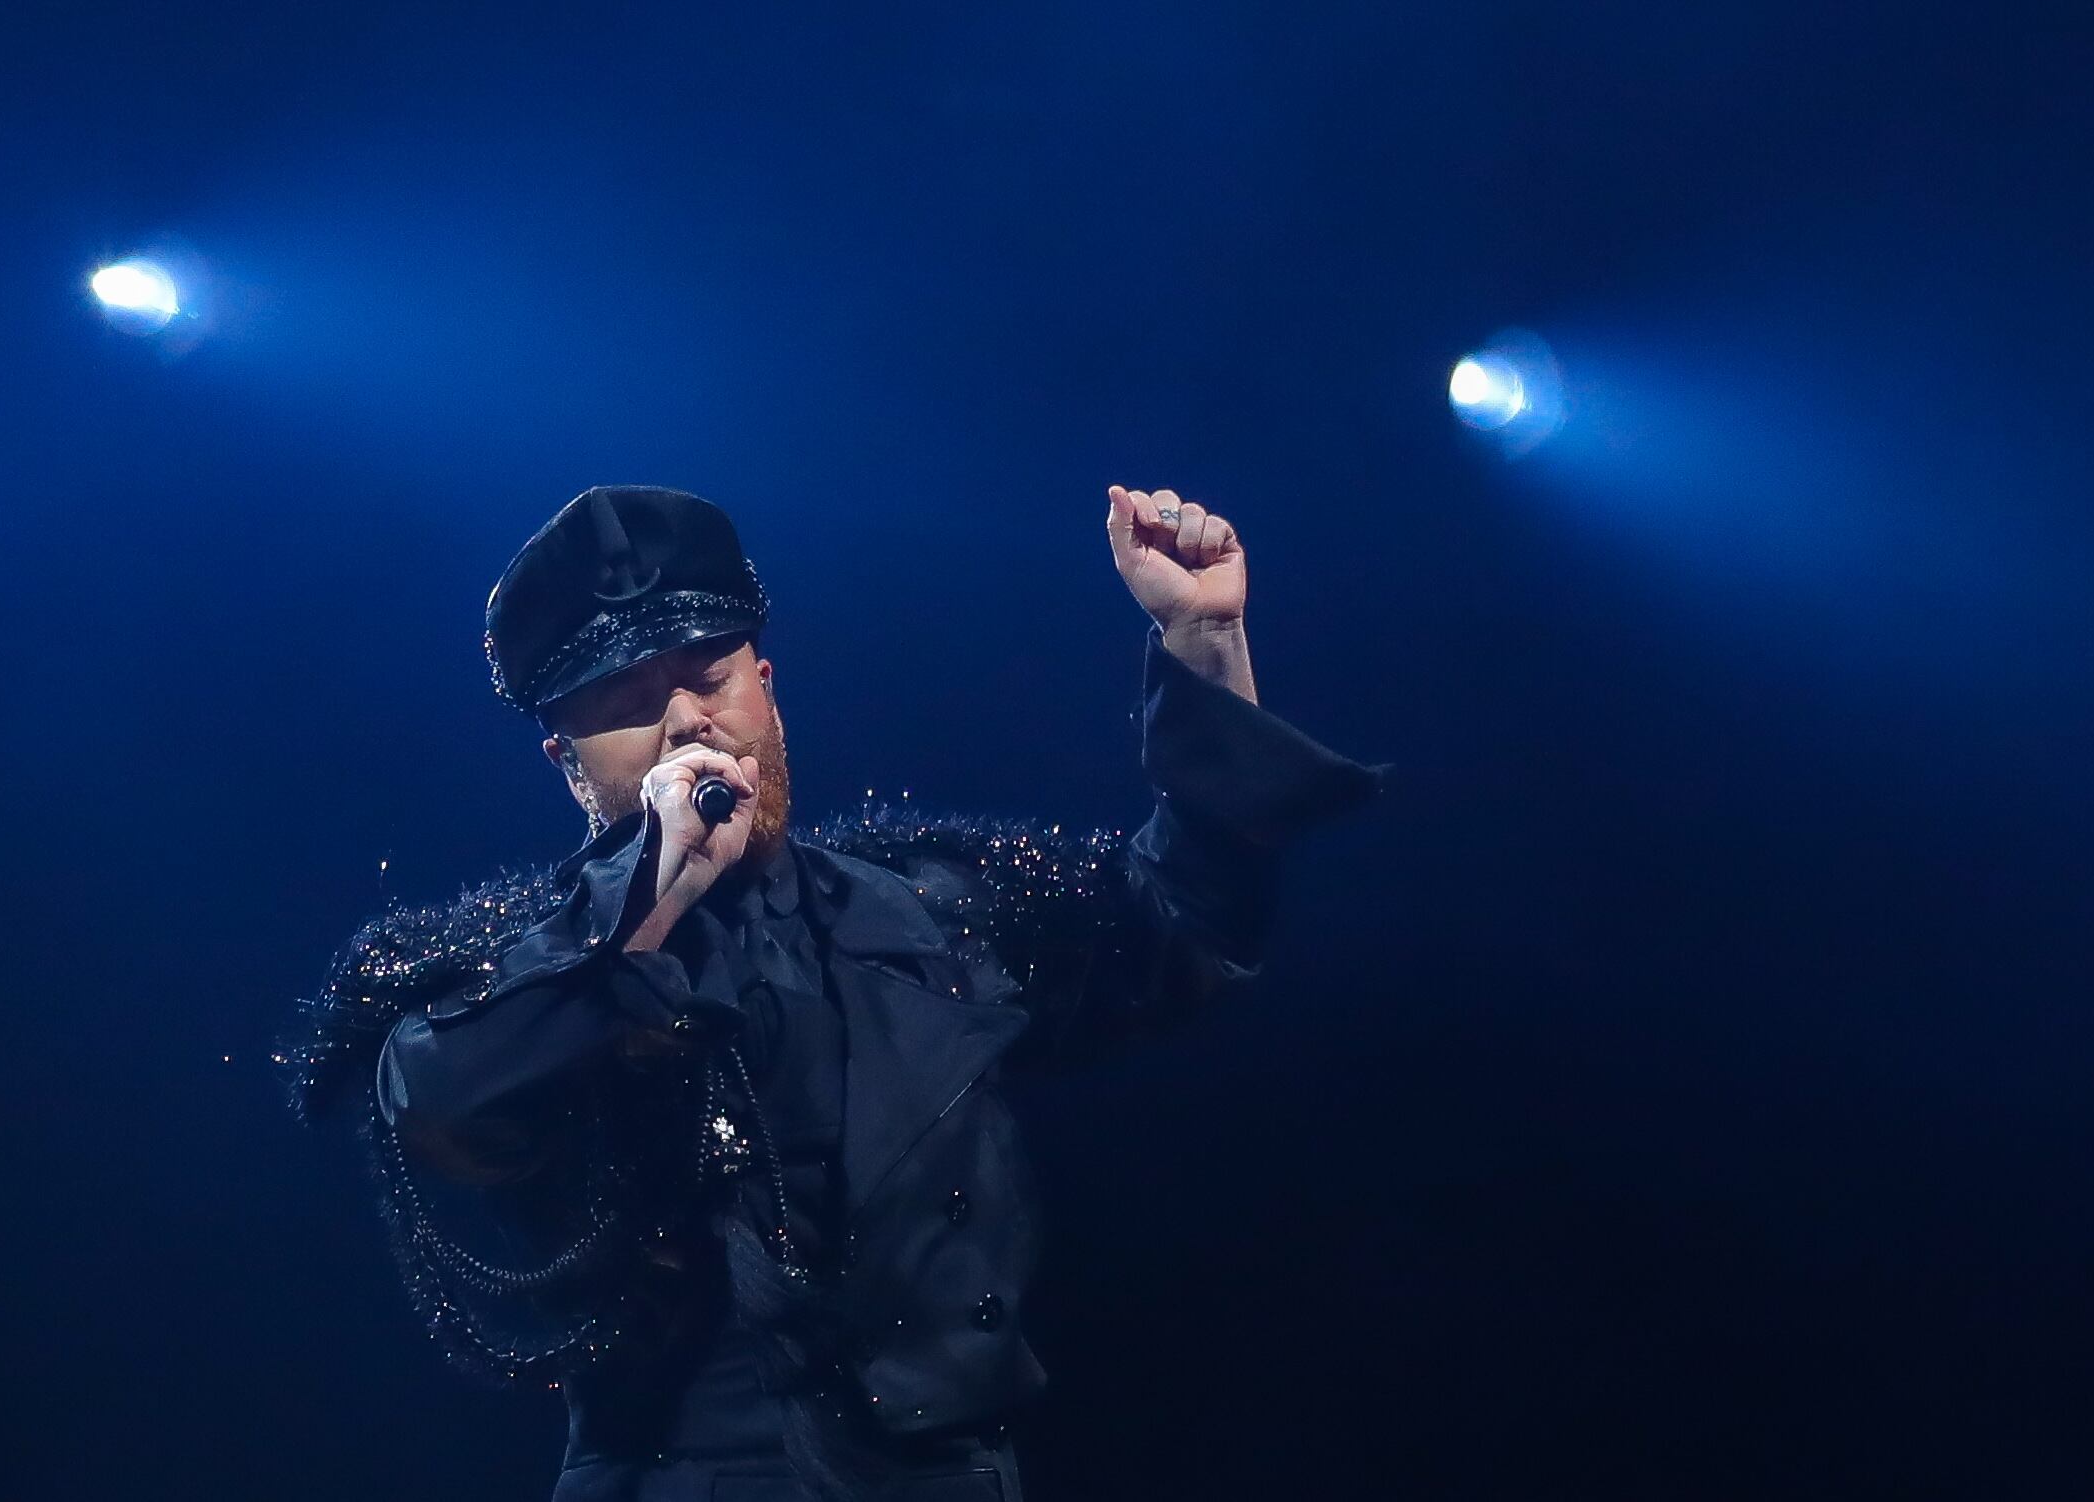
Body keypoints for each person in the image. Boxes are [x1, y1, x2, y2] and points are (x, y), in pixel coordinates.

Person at [290, 483, 1377, 1502]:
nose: (684, 723)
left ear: (764, 687)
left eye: (707, 679)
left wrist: (1203, 639)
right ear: (569, 764)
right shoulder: (517, 979)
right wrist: (643, 904)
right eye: (627, 703)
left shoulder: (932, 909)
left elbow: (1180, 927)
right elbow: (438, 1105)